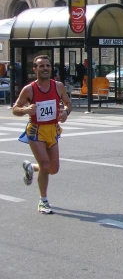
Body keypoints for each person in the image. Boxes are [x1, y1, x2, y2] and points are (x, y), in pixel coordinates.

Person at [13, 55, 72, 214]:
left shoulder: (58, 86)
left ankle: (31, 167)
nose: (45, 68)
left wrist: (66, 112)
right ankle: (43, 201)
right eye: (41, 66)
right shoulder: (29, 89)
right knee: (46, 165)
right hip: (36, 131)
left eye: (47, 66)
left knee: (53, 169)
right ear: (35, 69)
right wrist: (25, 110)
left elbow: (68, 103)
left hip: (52, 130)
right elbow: (15, 109)